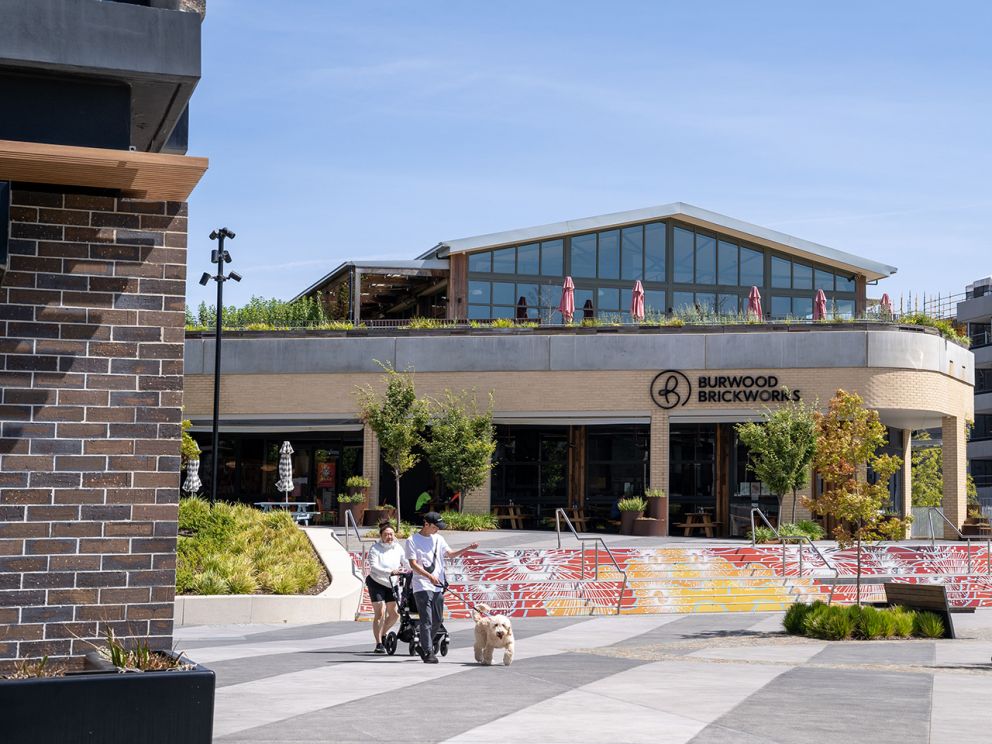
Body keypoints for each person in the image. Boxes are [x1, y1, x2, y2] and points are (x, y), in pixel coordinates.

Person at [404, 512, 478, 663]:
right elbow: (413, 564)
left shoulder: (439, 538)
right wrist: (428, 576)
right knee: (426, 619)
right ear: (426, 524)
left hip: (438, 584)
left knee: (438, 620)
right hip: (422, 584)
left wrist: (467, 548)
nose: (437, 529)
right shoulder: (412, 540)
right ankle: (428, 652)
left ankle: (425, 644)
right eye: (435, 526)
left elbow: (450, 554)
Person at [366, 521, 407, 654]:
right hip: (377, 582)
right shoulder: (375, 548)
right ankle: (378, 643)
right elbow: (374, 567)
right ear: (381, 535)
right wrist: (390, 571)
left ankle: (383, 634)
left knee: (395, 614)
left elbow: (406, 561)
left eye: (391, 534)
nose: (389, 537)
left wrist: (414, 570)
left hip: (392, 583)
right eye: (386, 534)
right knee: (380, 612)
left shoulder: (398, 547)